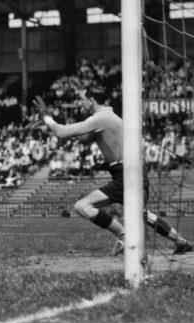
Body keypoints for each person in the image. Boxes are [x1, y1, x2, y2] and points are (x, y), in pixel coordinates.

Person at [34, 88, 193, 256]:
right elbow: (82, 138)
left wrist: (47, 117)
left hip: (125, 171)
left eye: (82, 99)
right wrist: (50, 127)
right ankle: (181, 242)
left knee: (82, 206)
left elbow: (62, 132)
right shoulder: (107, 118)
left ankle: (124, 236)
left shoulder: (101, 118)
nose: (79, 102)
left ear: (92, 100)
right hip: (131, 170)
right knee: (141, 213)